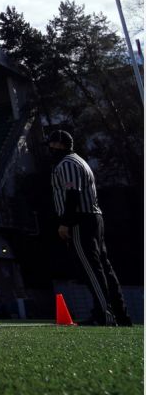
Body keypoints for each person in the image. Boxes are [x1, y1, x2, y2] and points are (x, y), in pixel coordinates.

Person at [48, 129, 131, 326]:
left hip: (80, 219)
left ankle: (104, 314)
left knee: (91, 268)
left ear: (59, 145)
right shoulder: (79, 161)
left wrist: (65, 222)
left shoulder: (67, 163)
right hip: (93, 217)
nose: (50, 149)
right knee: (104, 267)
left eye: (52, 145)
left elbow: (72, 194)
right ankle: (120, 314)